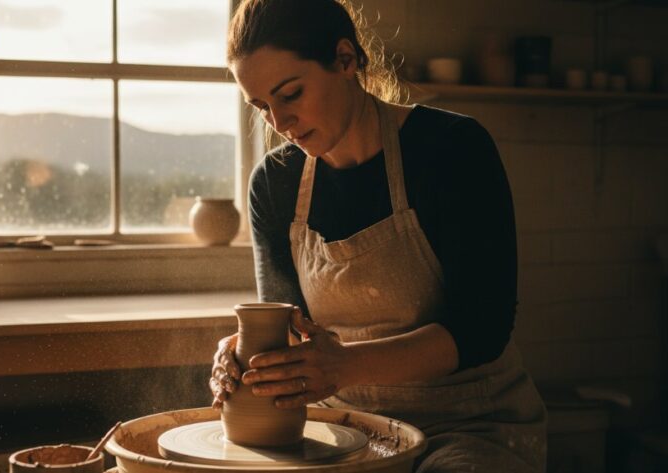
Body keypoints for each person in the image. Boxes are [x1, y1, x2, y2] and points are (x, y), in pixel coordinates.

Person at [209, 0, 547, 471]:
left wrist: (343, 365)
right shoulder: (276, 182)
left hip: (469, 425)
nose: (279, 124)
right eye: (261, 106)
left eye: (290, 94)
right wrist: (247, 357)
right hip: (346, 427)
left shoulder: (451, 149)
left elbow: (482, 330)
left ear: (345, 60)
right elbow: (290, 325)